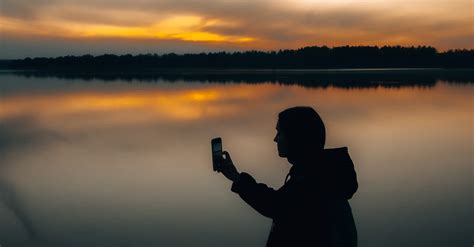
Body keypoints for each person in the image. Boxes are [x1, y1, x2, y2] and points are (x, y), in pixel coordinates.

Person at [216, 106, 358, 247]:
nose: (275, 139)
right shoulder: (321, 172)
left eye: (279, 133)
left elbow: (276, 205)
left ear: (296, 137)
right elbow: (280, 203)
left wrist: (238, 179)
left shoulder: (314, 182)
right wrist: (236, 177)